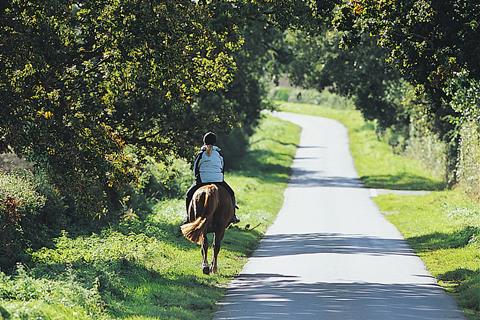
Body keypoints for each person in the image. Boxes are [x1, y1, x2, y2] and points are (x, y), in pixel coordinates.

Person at [184, 132, 240, 224]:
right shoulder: (219, 154)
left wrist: (198, 179)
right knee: (231, 194)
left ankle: (188, 217)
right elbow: (222, 168)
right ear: (215, 142)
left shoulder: (200, 154)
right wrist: (219, 177)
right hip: (218, 180)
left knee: (189, 195)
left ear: (204, 141)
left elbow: (195, 169)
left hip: (202, 180)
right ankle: (233, 216)